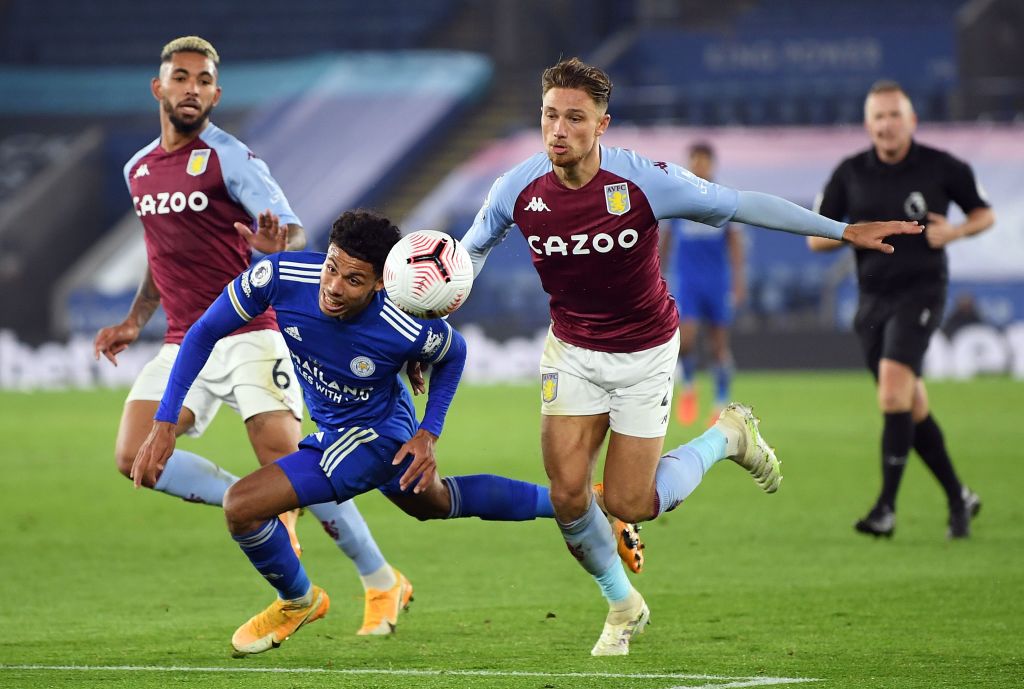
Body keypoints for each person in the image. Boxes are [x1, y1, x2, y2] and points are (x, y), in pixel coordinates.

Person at [461, 57, 922, 656]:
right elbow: (465, 257)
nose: (558, 130)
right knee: (568, 494)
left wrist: (841, 230)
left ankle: (727, 435)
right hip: (571, 349)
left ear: (603, 125)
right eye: (550, 116)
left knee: (631, 503)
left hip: (646, 351)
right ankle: (622, 604)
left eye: (575, 118)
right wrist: (431, 321)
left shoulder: (644, 183)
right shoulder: (515, 189)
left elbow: (741, 204)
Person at [130, 210, 581, 656]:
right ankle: (576, 502)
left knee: (242, 505)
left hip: (378, 435)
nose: (333, 287)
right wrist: (165, 422)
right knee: (434, 503)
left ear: (381, 283)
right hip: (340, 422)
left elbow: (454, 353)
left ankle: (298, 600)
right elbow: (203, 331)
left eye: (353, 280)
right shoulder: (279, 275)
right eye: (331, 268)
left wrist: (429, 433)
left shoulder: (403, 321)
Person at [92, 36, 408, 636]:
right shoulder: (139, 169)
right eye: (180, 77)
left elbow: (289, 228)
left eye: (204, 80)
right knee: (134, 457)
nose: (192, 88)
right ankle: (261, 501)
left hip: (249, 331)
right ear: (159, 89)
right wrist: (136, 318)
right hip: (183, 339)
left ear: (215, 92)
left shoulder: (229, 157)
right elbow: (160, 255)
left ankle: (381, 580)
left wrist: (275, 247)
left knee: (293, 463)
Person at [809, 80, 994, 539]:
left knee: (893, 394)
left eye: (895, 115)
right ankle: (959, 497)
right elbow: (815, 238)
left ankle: (885, 509)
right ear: (867, 125)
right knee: (910, 405)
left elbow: (983, 213)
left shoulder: (941, 166)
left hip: (922, 293)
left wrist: (955, 233)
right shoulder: (850, 173)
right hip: (872, 300)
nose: (886, 125)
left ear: (911, 120)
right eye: (878, 117)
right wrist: (850, 231)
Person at [661, 142, 746, 426]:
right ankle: (688, 387)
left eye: (703, 160)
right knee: (685, 340)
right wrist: (656, 274)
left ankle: (721, 403)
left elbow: (735, 243)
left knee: (718, 345)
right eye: (694, 160)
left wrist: (738, 281)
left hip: (716, 281)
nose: (698, 165)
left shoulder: (724, 199)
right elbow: (666, 241)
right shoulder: (679, 200)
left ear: (712, 164)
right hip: (688, 281)